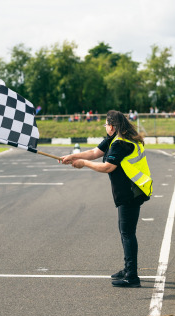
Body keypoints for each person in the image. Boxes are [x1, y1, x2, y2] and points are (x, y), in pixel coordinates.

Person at [60, 110, 153, 288]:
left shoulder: (120, 143)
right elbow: (95, 152)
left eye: (106, 124)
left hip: (130, 192)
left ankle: (132, 276)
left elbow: (108, 167)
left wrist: (83, 164)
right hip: (132, 191)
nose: (105, 127)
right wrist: (73, 156)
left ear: (112, 126)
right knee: (124, 231)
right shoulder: (117, 138)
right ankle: (128, 269)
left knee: (127, 233)